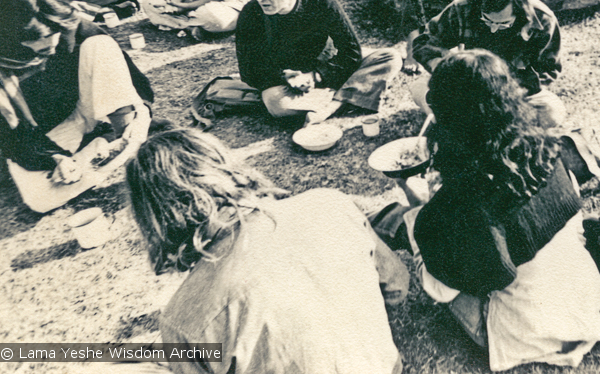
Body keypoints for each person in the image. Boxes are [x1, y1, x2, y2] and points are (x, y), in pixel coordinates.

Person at [402, 50, 600, 370]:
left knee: (416, 229)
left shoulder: (461, 202)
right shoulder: (547, 147)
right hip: (588, 299)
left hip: (529, 329)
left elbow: (477, 279)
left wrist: (421, 209)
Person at [127, 125, 407, 374]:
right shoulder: (331, 203)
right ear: (225, 166)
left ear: (155, 219)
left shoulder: (182, 318)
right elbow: (397, 285)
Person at [0, 0, 152, 213]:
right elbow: (11, 135)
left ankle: (125, 139)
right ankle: (105, 148)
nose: (52, 48)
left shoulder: (70, 25)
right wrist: (54, 159)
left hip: (86, 106)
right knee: (40, 200)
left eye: (55, 35)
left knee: (99, 44)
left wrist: (135, 112)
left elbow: (131, 81)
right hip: (44, 132)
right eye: (40, 49)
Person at [235, 0, 402, 123]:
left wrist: (316, 76)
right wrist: (284, 76)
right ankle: (352, 95)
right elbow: (248, 71)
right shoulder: (251, 12)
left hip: (330, 65)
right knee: (276, 104)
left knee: (391, 57)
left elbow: (351, 52)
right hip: (289, 83)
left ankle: (331, 106)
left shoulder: (321, 0)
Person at [411, 0, 566, 128]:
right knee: (418, 87)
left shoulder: (542, 20)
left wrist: (510, 94)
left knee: (552, 111)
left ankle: (481, 121)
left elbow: (548, 69)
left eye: (503, 24)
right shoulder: (463, 7)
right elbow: (424, 43)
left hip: (513, 93)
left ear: (520, 11)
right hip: (467, 86)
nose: (493, 29)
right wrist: (444, 66)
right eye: (487, 20)